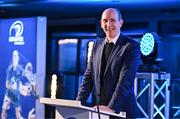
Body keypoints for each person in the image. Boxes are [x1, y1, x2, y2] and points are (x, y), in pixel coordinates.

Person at [76, 8, 141, 118]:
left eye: (112, 20)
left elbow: (125, 81)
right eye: (105, 21)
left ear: (121, 23)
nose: (108, 24)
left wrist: (111, 108)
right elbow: (88, 77)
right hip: (99, 112)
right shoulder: (97, 44)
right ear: (101, 24)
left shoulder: (131, 46)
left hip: (121, 112)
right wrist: (77, 104)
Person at [1, 50, 24, 119]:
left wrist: (22, 88)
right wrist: (12, 87)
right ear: (12, 57)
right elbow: (6, 84)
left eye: (16, 55)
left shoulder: (21, 69)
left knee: (18, 115)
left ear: (18, 58)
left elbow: (23, 82)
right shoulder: (9, 69)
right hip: (9, 93)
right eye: (13, 55)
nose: (15, 57)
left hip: (16, 95)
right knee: (3, 110)